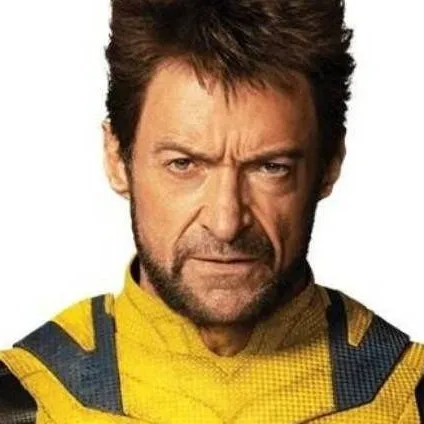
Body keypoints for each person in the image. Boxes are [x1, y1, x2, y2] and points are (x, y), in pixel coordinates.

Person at [0, 0, 423, 422]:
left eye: (270, 167)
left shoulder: (407, 394)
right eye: (183, 164)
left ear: (329, 166)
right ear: (117, 159)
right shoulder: (28, 397)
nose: (225, 223)